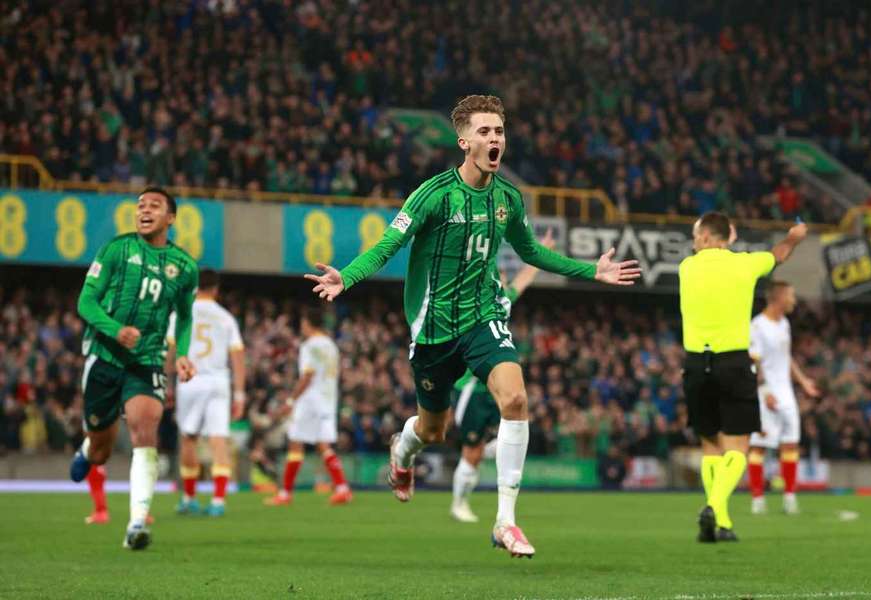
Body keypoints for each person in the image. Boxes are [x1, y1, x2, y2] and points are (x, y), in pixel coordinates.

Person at [305, 95, 641, 558]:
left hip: (484, 318)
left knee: (516, 398)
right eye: (484, 132)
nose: (495, 138)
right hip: (433, 330)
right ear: (464, 142)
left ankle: (506, 521)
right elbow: (387, 245)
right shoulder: (433, 194)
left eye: (499, 131)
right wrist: (349, 275)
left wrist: (591, 271)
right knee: (433, 430)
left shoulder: (508, 198)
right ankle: (402, 453)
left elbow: (531, 253)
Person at [69, 186, 198, 550]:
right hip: (105, 357)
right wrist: (115, 330)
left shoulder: (185, 267)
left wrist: (183, 353)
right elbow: (86, 301)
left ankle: (137, 524)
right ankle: (86, 448)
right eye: (140, 205)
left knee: (145, 432)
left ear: (170, 218)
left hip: (148, 360)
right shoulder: (116, 249)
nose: (144, 210)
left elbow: (186, 318)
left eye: (154, 206)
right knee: (101, 452)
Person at [679, 211, 807, 543]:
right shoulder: (745, 265)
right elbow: (779, 255)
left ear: (706, 237)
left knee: (710, 445)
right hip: (733, 362)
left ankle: (721, 522)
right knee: (738, 446)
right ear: (730, 238)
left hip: (695, 364)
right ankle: (713, 506)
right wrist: (793, 237)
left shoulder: (687, 268)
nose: (693, 243)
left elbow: (707, 255)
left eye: (696, 236)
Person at [450, 231, 552, 523]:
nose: (504, 278)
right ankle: (459, 504)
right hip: (470, 387)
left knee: (511, 430)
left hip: (494, 388)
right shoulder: (472, 300)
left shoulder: (503, 300)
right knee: (470, 449)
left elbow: (525, 279)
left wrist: (541, 251)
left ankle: (486, 498)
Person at [168, 269, 246, 517]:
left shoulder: (180, 313)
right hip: (218, 381)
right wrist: (240, 394)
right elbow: (238, 356)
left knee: (188, 438)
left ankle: (189, 497)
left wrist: (168, 383)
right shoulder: (226, 318)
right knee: (218, 439)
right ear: (216, 289)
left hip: (189, 379)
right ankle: (218, 500)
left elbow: (170, 353)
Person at [265, 306, 352, 507]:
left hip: (310, 400)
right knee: (323, 446)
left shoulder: (309, 345)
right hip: (328, 399)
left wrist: (290, 401)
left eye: (303, 324)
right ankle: (342, 488)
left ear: (308, 324)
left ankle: (285, 493)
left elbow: (307, 376)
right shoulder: (331, 345)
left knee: (296, 443)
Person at [747, 281, 819, 515]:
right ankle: (757, 499)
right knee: (759, 446)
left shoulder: (784, 323)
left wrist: (803, 381)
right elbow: (755, 361)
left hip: (786, 392)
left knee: (790, 443)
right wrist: (765, 391)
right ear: (778, 298)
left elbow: (786, 358)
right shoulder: (757, 326)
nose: (794, 301)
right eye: (791, 296)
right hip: (765, 393)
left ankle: (789, 497)